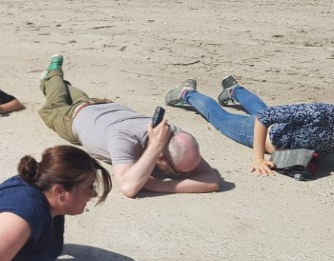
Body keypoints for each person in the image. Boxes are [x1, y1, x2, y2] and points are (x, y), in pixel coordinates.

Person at [38, 55, 220, 198]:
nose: (184, 176)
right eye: (177, 173)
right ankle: (53, 73)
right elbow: (128, 187)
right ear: (161, 158)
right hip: (70, 117)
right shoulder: (125, 137)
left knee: (63, 89)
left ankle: (55, 80)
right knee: (53, 101)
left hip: (100, 104)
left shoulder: (174, 136)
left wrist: (160, 185)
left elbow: (212, 181)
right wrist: (155, 147)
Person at [166, 77, 334, 175]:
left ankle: (234, 90)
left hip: (280, 126)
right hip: (262, 133)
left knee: (263, 111)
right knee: (220, 118)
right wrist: (258, 159)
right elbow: (264, 118)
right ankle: (187, 93)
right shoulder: (317, 113)